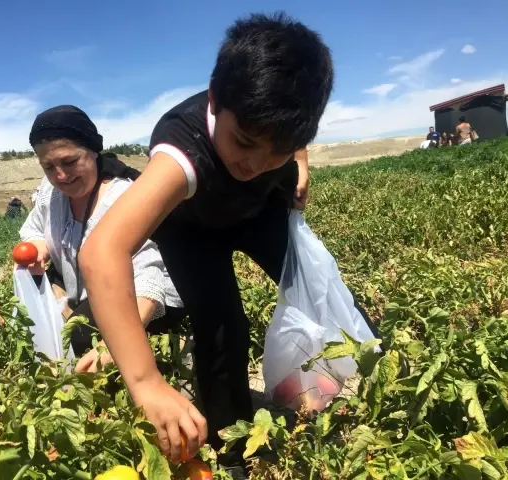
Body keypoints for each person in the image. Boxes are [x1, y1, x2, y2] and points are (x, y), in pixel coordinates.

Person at [78, 12, 379, 475]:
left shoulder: (277, 136)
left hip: (257, 212)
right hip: (191, 230)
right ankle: (231, 445)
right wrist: (145, 382)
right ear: (216, 101)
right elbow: (101, 253)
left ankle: (388, 382)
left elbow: (284, 140)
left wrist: (297, 161)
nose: (256, 163)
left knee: (322, 287)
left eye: (275, 151)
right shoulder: (183, 153)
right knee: (222, 327)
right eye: (243, 142)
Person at [19, 105, 184, 371]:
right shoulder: (51, 192)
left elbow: (147, 283)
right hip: (92, 288)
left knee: (77, 341)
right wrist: (38, 248)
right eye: (48, 166)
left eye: (70, 162)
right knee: (31, 320)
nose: (60, 176)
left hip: (142, 297)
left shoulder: (123, 199)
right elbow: (35, 228)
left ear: (93, 150)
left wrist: (114, 347)